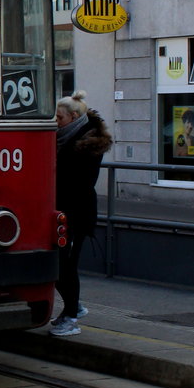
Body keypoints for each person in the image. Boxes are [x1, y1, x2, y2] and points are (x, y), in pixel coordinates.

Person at [51, 90, 112, 337]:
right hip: (64, 210)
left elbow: (76, 182)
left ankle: (72, 316)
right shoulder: (67, 138)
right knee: (59, 263)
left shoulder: (85, 145)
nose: (56, 123)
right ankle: (73, 307)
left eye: (59, 118)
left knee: (65, 265)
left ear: (74, 116)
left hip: (76, 212)